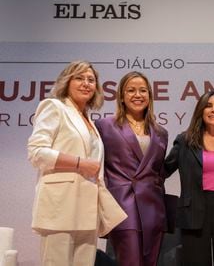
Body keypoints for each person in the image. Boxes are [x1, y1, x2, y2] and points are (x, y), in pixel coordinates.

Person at [27, 60, 126, 266]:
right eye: (79, 78)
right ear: (67, 82)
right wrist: (81, 163)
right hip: (60, 206)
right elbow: (37, 152)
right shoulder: (54, 106)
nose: (86, 83)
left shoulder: (88, 119)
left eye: (91, 80)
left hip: (87, 209)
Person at [164, 91, 214, 266]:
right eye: (208, 106)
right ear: (200, 111)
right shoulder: (185, 141)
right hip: (194, 210)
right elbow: (162, 171)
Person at [95, 71, 168, 266]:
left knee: (150, 262)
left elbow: (159, 173)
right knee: (130, 261)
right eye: (131, 90)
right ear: (121, 96)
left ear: (150, 96)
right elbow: (99, 167)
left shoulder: (161, 132)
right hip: (123, 204)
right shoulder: (104, 126)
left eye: (143, 90)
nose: (138, 95)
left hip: (153, 207)